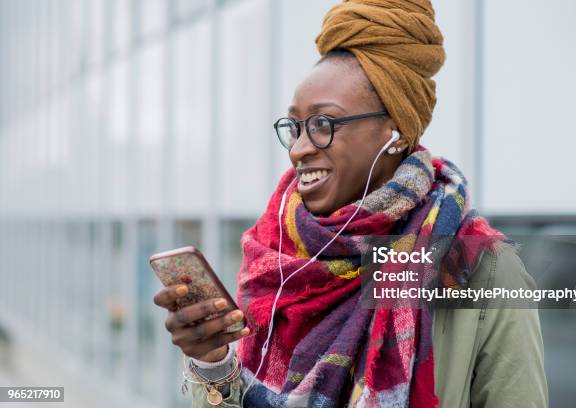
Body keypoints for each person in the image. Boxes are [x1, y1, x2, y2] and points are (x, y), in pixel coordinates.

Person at [153, 0, 548, 406]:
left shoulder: (485, 269)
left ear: (393, 132)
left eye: (324, 124)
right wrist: (212, 361)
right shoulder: (277, 254)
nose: (299, 150)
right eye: (296, 127)